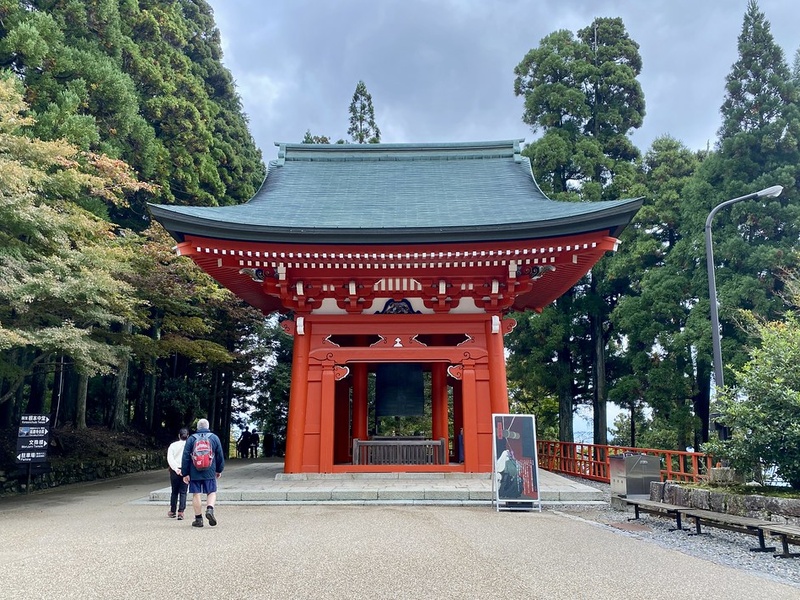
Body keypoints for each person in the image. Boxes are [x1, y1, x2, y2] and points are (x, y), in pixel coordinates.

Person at [181, 418, 225, 528]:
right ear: (208, 427)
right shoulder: (214, 438)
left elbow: (186, 456)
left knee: (196, 494)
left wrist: (185, 473)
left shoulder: (191, 439)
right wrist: (219, 470)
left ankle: (198, 519)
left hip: (194, 471)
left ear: (197, 428)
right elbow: (219, 455)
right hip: (210, 470)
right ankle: (209, 509)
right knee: (211, 492)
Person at [166, 427, 189, 519]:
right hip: (185, 470)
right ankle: (181, 512)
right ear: (188, 436)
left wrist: (176, 468)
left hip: (174, 470)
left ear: (179, 435)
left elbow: (170, 458)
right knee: (183, 492)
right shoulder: (190, 445)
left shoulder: (173, 445)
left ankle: (172, 510)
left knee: (174, 491)